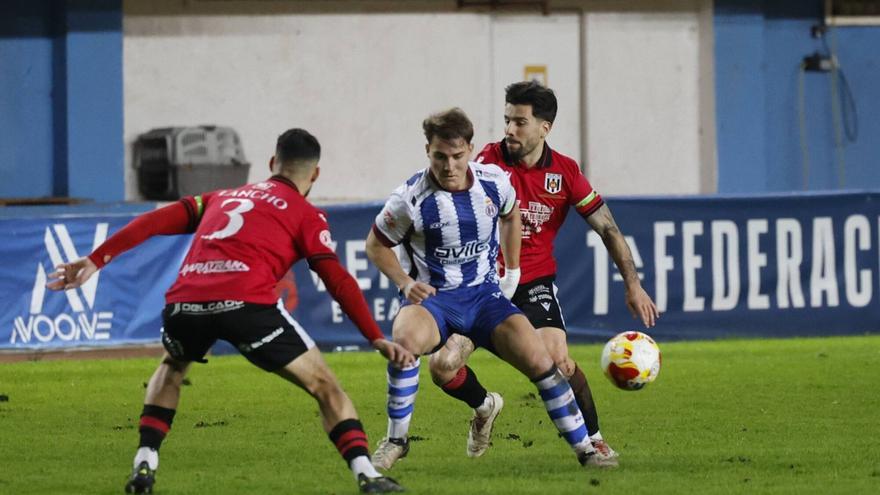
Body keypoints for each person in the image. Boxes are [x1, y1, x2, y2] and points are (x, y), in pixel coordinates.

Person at [47, 129, 412, 494]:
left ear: (272, 164)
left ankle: (144, 464)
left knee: (172, 367)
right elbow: (337, 279)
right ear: (315, 175)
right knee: (325, 386)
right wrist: (374, 336)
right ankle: (368, 475)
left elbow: (151, 222)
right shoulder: (306, 214)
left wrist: (96, 260)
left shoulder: (219, 197)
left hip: (185, 303)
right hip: (246, 305)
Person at [365, 107, 614, 473]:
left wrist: (511, 271)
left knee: (543, 362)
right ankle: (397, 441)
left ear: (470, 149)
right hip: (435, 300)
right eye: (439, 156)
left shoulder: (494, 181)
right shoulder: (409, 198)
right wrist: (404, 283)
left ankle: (586, 450)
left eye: (456, 156)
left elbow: (511, 214)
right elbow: (375, 245)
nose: (448, 166)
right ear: (427, 151)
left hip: (485, 298)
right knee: (404, 345)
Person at [427, 81, 659, 463]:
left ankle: (595, 439)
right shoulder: (486, 163)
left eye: (520, 122)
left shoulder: (565, 173)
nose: (509, 130)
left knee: (558, 361)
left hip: (532, 282)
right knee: (442, 366)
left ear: (544, 128)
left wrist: (633, 285)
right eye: (506, 120)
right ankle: (484, 405)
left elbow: (608, 229)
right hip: (485, 285)